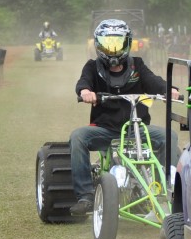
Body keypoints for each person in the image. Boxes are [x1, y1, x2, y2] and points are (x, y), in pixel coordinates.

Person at [68, 20, 173, 216]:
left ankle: (164, 189)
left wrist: (168, 90)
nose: (113, 49)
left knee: (169, 137)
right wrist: (85, 91)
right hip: (105, 130)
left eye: (117, 43)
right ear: (99, 45)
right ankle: (86, 196)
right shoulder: (92, 67)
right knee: (78, 137)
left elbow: (154, 82)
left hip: (138, 130)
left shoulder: (138, 65)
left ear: (127, 43)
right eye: (108, 43)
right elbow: (84, 81)